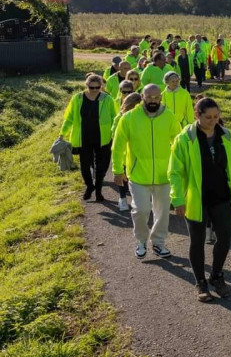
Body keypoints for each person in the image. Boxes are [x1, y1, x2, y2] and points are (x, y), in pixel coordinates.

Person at [169, 97, 231, 302]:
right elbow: (175, 172)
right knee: (197, 242)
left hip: (221, 197)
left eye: (216, 116)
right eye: (208, 117)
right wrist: (178, 199)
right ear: (197, 115)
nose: (213, 121)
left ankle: (217, 275)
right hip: (196, 200)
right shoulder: (185, 139)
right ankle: (200, 282)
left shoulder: (226, 135)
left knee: (224, 239)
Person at [112, 84, 182, 259]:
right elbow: (118, 145)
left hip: (164, 174)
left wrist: (180, 168)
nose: (153, 100)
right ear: (142, 97)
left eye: (156, 97)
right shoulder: (129, 118)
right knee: (141, 210)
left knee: (163, 212)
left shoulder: (169, 116)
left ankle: (158, 243)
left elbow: (178, 143)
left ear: (160, 98)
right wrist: (117, 170)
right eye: (149, 97)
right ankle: (141, 240)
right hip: (138, 175)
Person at [60, 74, 116, 202]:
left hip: (103, 138)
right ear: (87, 86)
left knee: (101, 167)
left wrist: (115, 134)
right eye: (92, 87)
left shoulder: (107, 99)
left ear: (101, 86)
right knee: (85, 166)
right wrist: (62, 133)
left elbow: (115, 118)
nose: (95, 90)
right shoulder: (77, 98)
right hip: (83, 138)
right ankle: (90, 186)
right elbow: (68, 117)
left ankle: (98, 191)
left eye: (98, 87)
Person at [111, 92, 142, 211]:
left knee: (136, 180)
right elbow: (115, 134)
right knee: (123, 178)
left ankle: (137, 201)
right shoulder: (120, 117)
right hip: (124, 154)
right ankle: (122, 198)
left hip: (137, 154)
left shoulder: (144, 117)